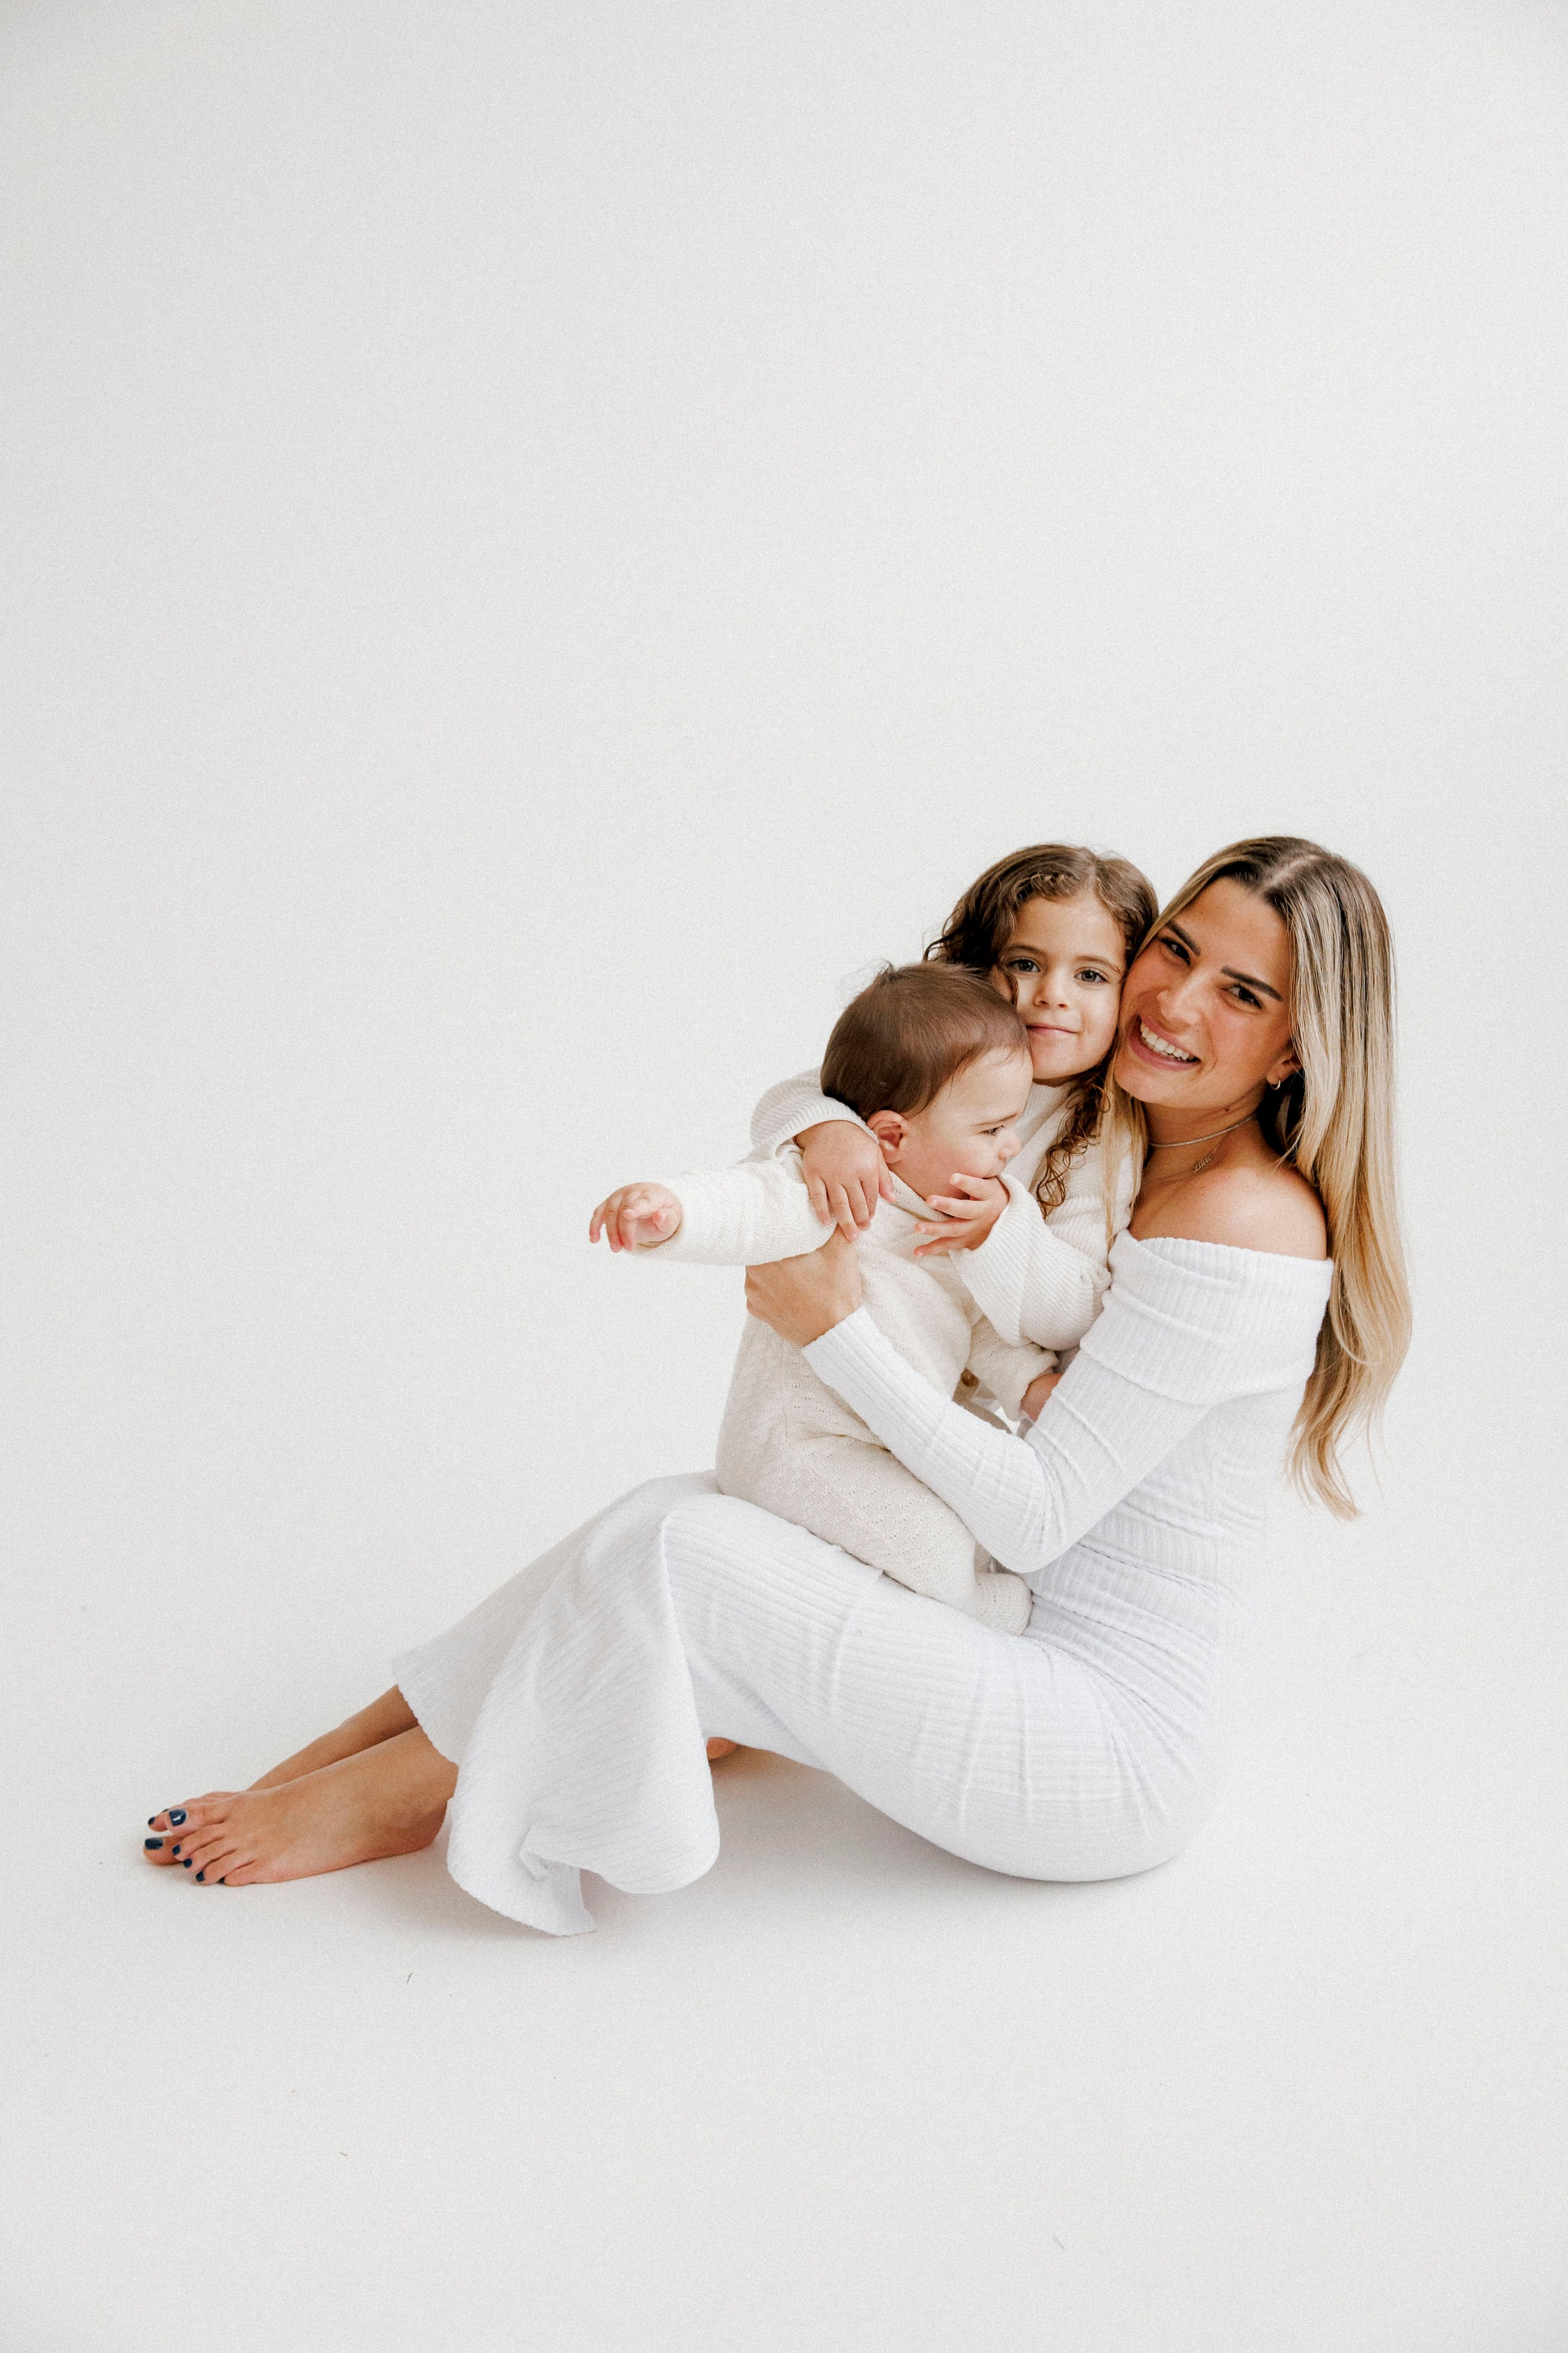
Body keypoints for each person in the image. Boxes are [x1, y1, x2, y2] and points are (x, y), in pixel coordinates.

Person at [140, 837, 1410, 1936]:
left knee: (687, 1554)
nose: (1169, 1002)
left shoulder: (1241, 1217)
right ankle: (356, 1746)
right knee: (659, 1514)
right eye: (1175, 949)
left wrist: (831, 1327)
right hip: (994, 1619)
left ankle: (404, 1795)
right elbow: (887, 1073)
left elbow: (1035, 1516)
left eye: (1238, 992)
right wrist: (823, 1122)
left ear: (1299, 1048)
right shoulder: (1115, 1131)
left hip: (1097, 1746)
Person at [592, 962, 1096, 1634]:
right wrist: (671, 1211)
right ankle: (997, 1617)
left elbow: (974, 1322)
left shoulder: (954, 1215)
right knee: (933, 1549)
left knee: (975, 1507)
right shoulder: (834, 1189)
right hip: (802, 1444)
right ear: (891, 1137)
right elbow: (749, 1203)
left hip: (879, 1438)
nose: (1009, 1147)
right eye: (992, 1130)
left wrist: (1027, 1382)